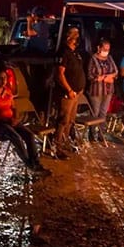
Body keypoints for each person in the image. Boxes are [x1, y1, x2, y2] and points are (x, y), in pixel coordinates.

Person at [0, 69, 50, 175]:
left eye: (5, 78)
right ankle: (30, 165)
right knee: (16, 137)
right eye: (0, 78)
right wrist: (4, 119)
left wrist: (16, 118)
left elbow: (14, 107)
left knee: (29, 135)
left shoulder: (7, 91)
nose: (3, 80)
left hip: (10, 121)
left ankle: (36, 162)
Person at [53, 27, 86, 159]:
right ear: (69, 37)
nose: (78, 37)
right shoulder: (64, 52)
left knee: (71, 120)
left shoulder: (75, 53)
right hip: (68, 93)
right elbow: (60, 74)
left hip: (77, 92)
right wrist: (69, 90)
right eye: (75, 35)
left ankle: (66, 142)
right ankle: (57, 146)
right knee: (63, 120)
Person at [87, 38, 118, 142]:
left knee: (103, 112)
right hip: (96, 91)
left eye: (108, 49)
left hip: (108, 91)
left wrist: (109, 77)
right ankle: (92, 133)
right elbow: (91, 76)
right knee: (95, 113)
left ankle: (101, 133)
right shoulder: (93, 59)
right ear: (99, 48)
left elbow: (115, 71)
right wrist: (105, 78)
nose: (106, 51)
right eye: (104, 48)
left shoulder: (109, 58)